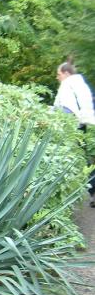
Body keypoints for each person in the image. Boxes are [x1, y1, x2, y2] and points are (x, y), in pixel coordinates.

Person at [54, 60, 95, 205]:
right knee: (82, 158)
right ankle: (92, 191)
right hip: (81, 123)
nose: (57, 77)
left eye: (59, 74)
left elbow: (65, 107)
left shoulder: (68, 83)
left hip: (71, 124)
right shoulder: (80, 83)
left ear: (66, 73)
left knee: (70, 158)